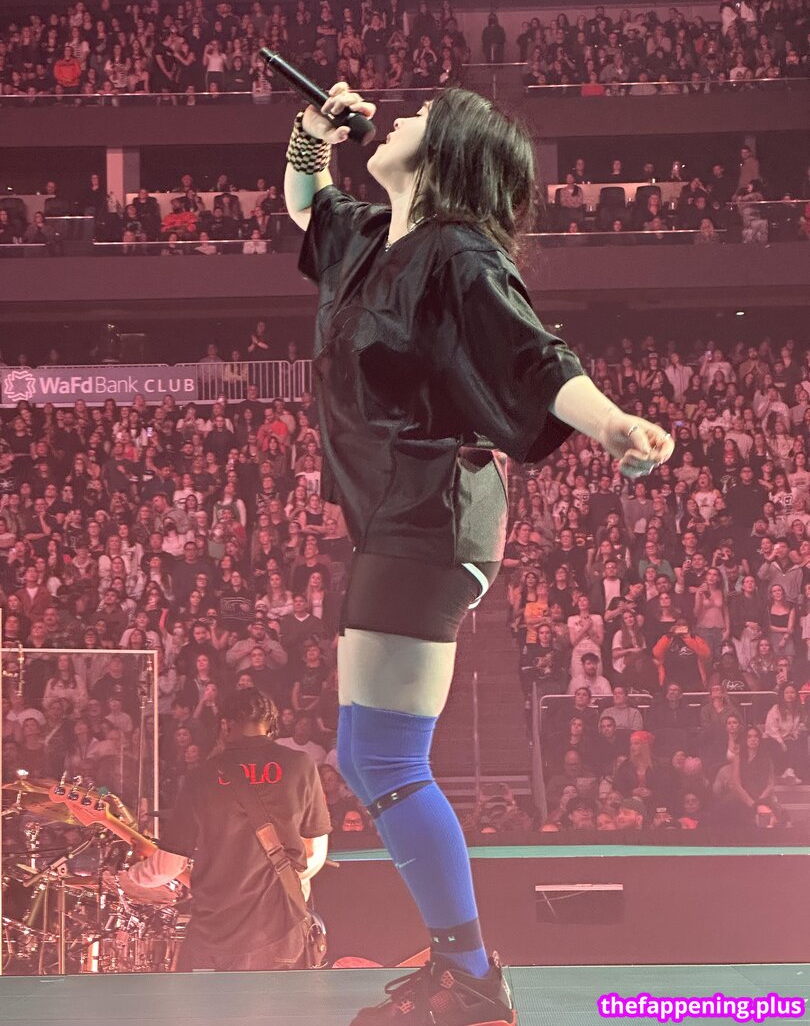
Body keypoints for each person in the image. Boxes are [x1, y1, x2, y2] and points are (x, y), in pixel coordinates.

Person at [283, 81, 674, 1026]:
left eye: (417, 117)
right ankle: (461, 969)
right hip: (396, 513)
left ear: (445, 153)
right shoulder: (371, 239)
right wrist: (309, 133)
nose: (395, 118)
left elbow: (535, 355)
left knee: (384, 756)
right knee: (367, 756)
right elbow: (306, 204)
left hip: (433, 509)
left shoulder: (457, 252)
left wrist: (612, 424)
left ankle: (470, 979)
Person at [123, 689, 330, 971]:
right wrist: (276, 886)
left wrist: (129, 878)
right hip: (279, 933)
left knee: (207, 1001)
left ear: (225, 724)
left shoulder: (200, 777)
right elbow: (314, 853)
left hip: (214, 936)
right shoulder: (300, 765)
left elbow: (168, 866)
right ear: (271, 725)